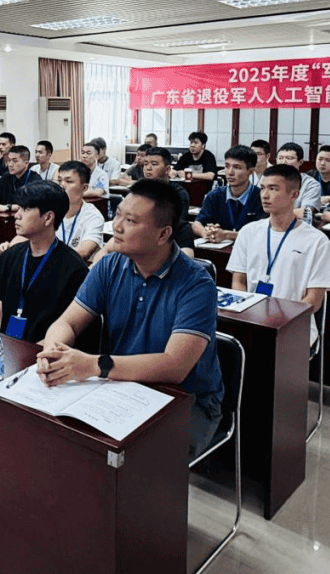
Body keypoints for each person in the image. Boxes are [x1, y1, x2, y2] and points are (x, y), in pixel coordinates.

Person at [37, 179, 224, 460]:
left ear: (163, 234)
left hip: (185, 401)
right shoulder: (109, 266)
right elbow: (68, 323)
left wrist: (93, 365)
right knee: (59, 436)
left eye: (131, 220)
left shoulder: (196, 285)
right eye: (118, 215)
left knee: (129, 459)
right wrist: (53, 352)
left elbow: (175, 366)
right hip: (120, 384)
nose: (117, 226)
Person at [228, 164, 330, 345]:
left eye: (273, 189)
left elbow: (314, 300)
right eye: (263, 188)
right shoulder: (248, 232)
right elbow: (239, 281)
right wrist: (247, 312)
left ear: (294, 195)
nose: (265, 195)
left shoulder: (317, 241)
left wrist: (279, 321)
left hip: (294, 325)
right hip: (251, 320)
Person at [0, 182, 89, 343]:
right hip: (5, 347)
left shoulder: (74, 269)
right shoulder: (10, 255)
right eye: (19, 208)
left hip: (43, 353)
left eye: (26, 209)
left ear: (48, 218)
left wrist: (27, 354)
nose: (17, 215)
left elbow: (66, 332)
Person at [193, 145, 265, 243]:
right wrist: (207, 233)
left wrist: (227, 235)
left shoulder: (261, 197)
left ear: (250, 171)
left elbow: (263, 233)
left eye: (237, 167)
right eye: (227, 166)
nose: (230, 172)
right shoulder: (215, 195)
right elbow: (196, 224)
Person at [53, 161, 105, 261]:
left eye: (69, 181)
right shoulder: (49, 210)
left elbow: (84, 252)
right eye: (59, 181)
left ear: (84, 188)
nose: (61, 186)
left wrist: (49, 260)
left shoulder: (93, 216)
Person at [0, 145, 40, 209]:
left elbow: (33, 205)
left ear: (26, 163)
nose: (10, 164)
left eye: (15, 161)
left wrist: (8, 207)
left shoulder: (35, 180)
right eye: (9, 160)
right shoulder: (6, 177)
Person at [274, 142, 323, 217]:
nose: (283, 162)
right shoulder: (268, 180)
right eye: (280, 158)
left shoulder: (311, 184)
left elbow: (305, 212)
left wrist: (275, 214)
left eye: (289, 158)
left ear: (300, 162)